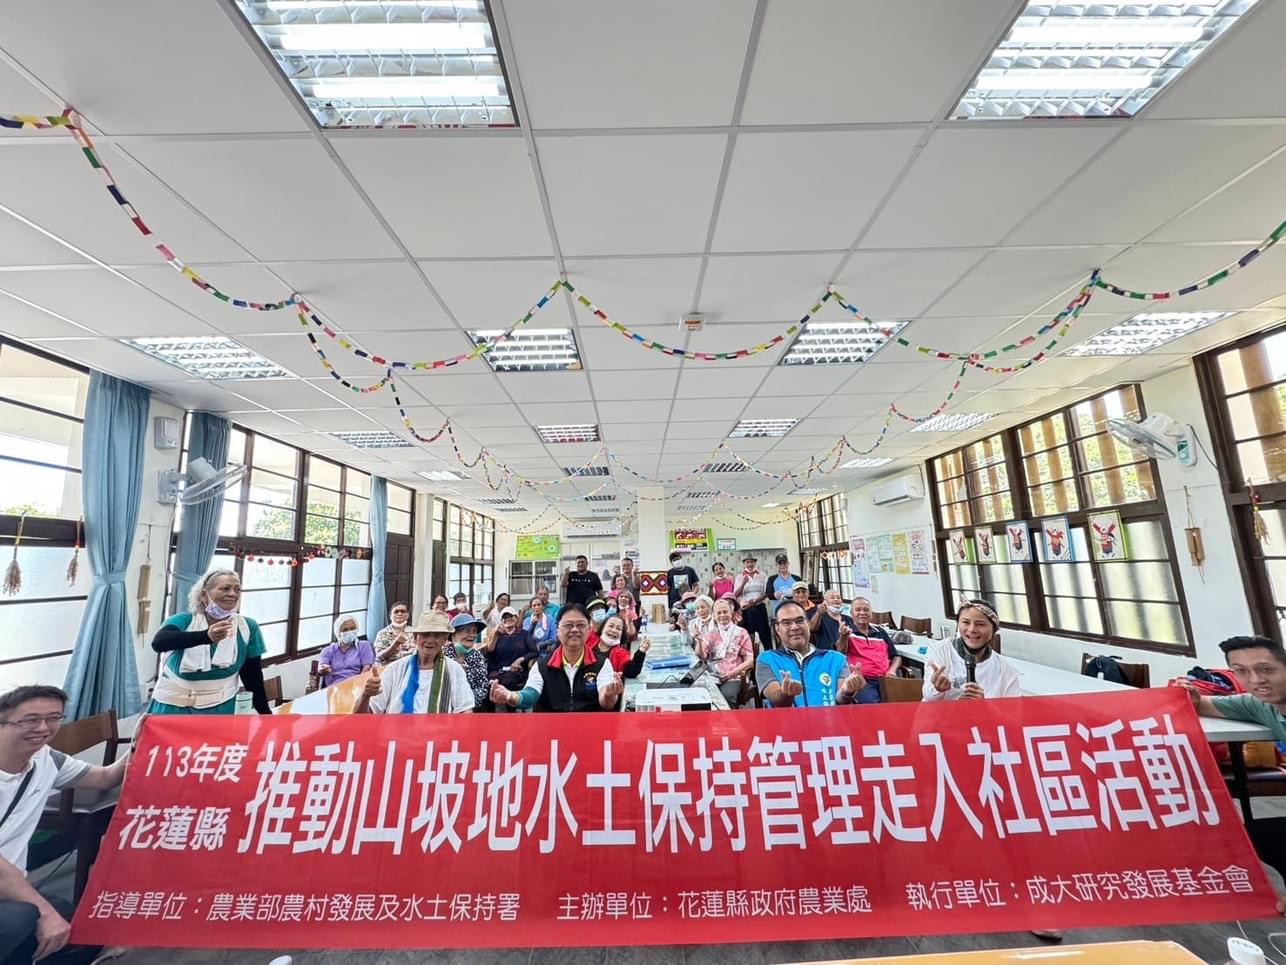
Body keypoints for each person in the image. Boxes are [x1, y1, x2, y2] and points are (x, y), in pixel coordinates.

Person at [0, 686, 129, 963]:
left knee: (85, 932)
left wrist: (141, 742)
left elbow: (105, 777)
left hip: (11, 888)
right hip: (8, 890)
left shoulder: (45, 759)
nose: (43, 728)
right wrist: (45, 913)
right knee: (24, 918)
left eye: (53, 718)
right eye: (30, 720)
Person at [1182, 635, 1286, 885]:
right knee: (1255, 836)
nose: (1256, 680)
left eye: (1266, 669)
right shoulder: (1261, 705)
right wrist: (1190, 695)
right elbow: (1203, 705)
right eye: (1241, 671)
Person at [148, 569, 270, 715]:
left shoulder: (247, 627)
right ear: (204, 594)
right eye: (225, 588)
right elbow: (159, 642)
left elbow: (252, 677)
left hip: (222, 709)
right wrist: (206, 636)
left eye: (237, 589)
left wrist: (266, 715)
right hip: (173, 708)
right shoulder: (184, 620)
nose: (233, 594)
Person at [488, 605, 625, 712]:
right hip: (550, 733)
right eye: (568, 625)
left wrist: (609, 694)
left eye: (580, 625)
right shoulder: (542, 666)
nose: (574, 629)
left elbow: (606, 703)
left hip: (590, 730)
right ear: (558, 630)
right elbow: (530, 694)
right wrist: (510, 696)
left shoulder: (602, 664)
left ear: (589, 629)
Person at [356, 611, 473, 714]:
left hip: (439, 732)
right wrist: (366, 695)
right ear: (415, 638)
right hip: (397, 732)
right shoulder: (395, 669)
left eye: (437, 635)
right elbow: (365, 716)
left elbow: (465, 710)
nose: (430, 640)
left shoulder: (454, 670)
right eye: (425, 634)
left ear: (444, 640)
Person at [756, 601, 863, 708]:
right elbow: (775, 698)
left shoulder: (836, 659)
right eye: (786, 623)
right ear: (777, 629)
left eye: (799, 620)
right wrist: (786, 694)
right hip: (787, 719)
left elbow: (841, 699)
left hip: (829, 718)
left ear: (808, 623)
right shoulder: (767, 659)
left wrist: (847, 691)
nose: (794, 627)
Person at [922, 599, 1020, 702]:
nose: (972, 629)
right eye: (966, 622)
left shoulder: (1005, 670)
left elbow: (1013, 711)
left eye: (980, 624)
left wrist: (984, 706)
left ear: (993, 631)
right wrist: (937, 689)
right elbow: (928, 697)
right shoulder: (940, 651)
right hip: (940, 713)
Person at [696, 598, 754, 707]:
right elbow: (702, 655)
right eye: (719, 613)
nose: (722, 615)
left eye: (725, 612)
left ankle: (728, 718)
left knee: (727, 696)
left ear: (731, 613)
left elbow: (750, 660)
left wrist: (731, 673)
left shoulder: (741, 632)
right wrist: (699, 640)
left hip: (734, 676)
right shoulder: (710, 634)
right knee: (702, 696)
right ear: (714, 615)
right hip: (712, 675)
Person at [482, 607, 539, 711]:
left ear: (516, 618)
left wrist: (520, 660)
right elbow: (488, 654)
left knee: (508, 682)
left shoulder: (524, 634)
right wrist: (495, 636)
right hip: (497, 670)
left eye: (510, 616)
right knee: (489, 685)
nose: (508, 619)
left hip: (515, 671)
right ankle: (490, 715)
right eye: (505, 618)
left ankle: (510, 714)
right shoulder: (497, 635)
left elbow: (534, 651)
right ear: (502, 621)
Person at [844, 597, 902, 678]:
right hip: (862, 679)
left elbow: (896, 656)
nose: (862, 613)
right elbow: (840, 651)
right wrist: (843, 637)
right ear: (851, 613)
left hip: (886, 677)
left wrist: (892, 671)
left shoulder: (880, 632)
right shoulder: (846, 632)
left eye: (866, 610)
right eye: (858, 610)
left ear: (871, 613)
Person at [317, 616, 375, 688]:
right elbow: (322, 667)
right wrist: (324, 669)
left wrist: (358, 684)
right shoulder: (328, 650)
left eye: (352, 628)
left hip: (356, 685)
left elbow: (367, 668)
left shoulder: (364, 645)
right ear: (338, 632)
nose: (349, 632)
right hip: (334, 687)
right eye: (345, 630)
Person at [448, 613, 490, 711]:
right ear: (454, 635)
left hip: (472, 707)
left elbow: (482, 687)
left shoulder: (477, 655)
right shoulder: (443, 655)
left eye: (474, 631)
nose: (472, 635)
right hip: (446, 708)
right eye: (467, 631)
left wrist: (467, 704)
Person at [734, 555, 771, 653]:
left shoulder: (762, 575)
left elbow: (767, 592)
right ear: (744, 564)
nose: (750, 564)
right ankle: (750, 657)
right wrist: (743, 583)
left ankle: (769, 655)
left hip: (759, 607)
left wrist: (754, 602)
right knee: (748, 635)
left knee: (765, 634)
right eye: (747, 562)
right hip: (746, 610)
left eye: (752, 562)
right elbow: (736, 595)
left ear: (755, 563)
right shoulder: (739, 577)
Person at [595, 615, 648, 682]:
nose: (614, 630)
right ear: (602, 628)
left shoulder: (620, 654)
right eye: (611, 626)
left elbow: (631, 672)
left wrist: (641, 652)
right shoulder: (589, 644)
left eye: (618, 629)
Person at [374, 601, 413, 665]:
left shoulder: (414, 632)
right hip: (387, 667)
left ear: (408, 615)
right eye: (396, 612)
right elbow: (380, 656)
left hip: (408, 666)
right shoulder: (382, 633)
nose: (399, 614)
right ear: (390, 616)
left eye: (403, 611)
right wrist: (395, 645)